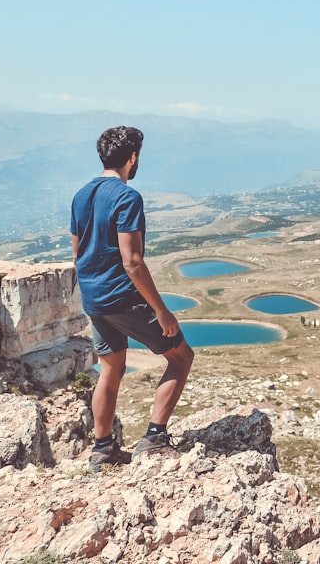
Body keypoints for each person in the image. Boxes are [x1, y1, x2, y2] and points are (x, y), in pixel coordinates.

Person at [70, 126, 194, 471]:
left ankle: (103, 448)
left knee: (111, 369)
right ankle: (154, 438)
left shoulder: (81, 195)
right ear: (133, 158)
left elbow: (77, 252)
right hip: (123, 298)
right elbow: (133, 262)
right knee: (181, 357)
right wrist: (161, 311)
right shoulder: (127, 197)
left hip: (94, 298)